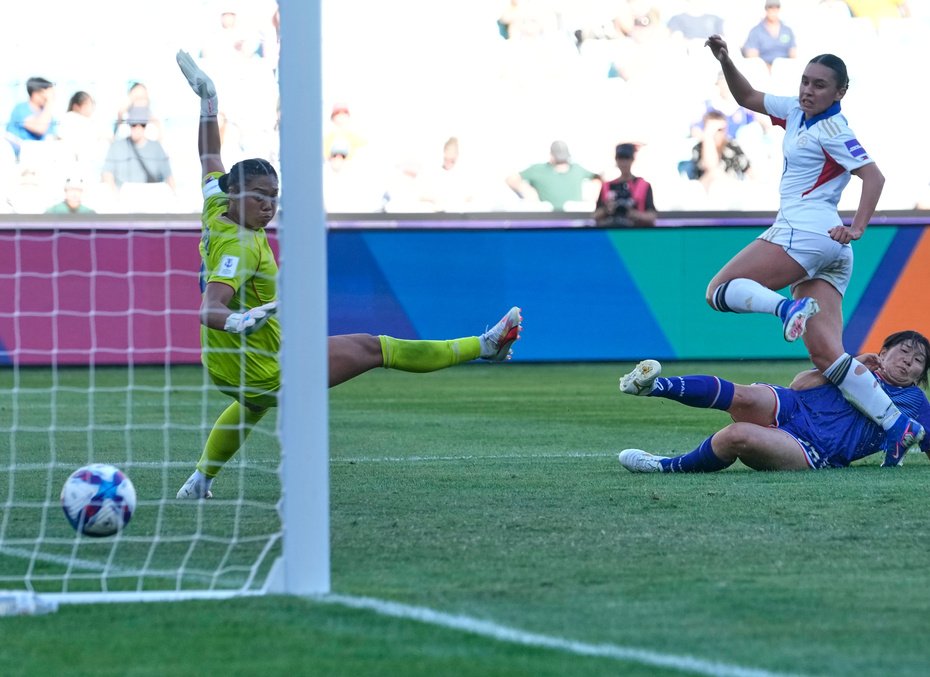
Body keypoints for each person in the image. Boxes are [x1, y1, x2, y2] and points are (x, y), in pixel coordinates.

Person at [174, 51, 523, 499]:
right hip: (264, 363)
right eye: (260, 196)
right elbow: (210, 309)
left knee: (253, 404)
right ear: (237, 194)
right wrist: (239, 320)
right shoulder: (239, 248)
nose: (269, 205)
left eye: (274, 196)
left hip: (232, 362)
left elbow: (209, 156)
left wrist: (209, 103)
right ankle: (486, 347)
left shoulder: (216, 202)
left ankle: (199, 481)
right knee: (375, 348)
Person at [701, 34, 925, 463]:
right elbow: (747, 95)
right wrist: (726, 58)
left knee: (718, 291)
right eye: (805, 81)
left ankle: (786, 311)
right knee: (827, 356)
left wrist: (857, 228)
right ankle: (898, 427)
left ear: (840, 92)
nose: (808, 89)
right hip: (829, 247)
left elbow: (874, 178)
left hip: (805, 232)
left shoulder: (834, 128)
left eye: (820, 85)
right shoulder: (795, 110)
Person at [617, 330, 930, 473]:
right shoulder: (854, 368)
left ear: (919, 375)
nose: (908, 362)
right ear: (883, 352)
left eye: (918, 362)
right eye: (904, 352)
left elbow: (929, 443)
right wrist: (846, 368)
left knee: (737, 436)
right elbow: (799, 384)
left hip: (813, 448)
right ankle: (653, 386)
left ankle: (664, 465)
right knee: (743, 394)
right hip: (793, 406)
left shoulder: (913, 400)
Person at [101, 105, 176, 195]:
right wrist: (116, 198)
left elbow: (169, 177)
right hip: (124, 201)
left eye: (142, 124)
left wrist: (175, 198)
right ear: (129, 124)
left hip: (152, 200)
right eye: (134, 124)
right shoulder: (116, 146)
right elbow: (107, 175)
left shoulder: (156, 147)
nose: (138, 128)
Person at [505, 140, 600, 210]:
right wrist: (523, 188)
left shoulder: (577, 168)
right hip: (547, 219)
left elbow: (598, 177)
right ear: (552, 156)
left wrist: (593, 194)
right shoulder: (538, 169)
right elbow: (511, 178)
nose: (563, 165)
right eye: (560, 160)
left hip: (574, 218)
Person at [682, 110, 753, 191]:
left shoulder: (733, 146)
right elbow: (711, 166)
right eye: (713, 129)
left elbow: (749, 170)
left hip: (730, 191)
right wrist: (708, 137)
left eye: (720, 129)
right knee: (714, 173)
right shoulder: (698, 148)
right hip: (707, 192)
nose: (717, 133)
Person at [593, 143, 656, 227]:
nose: (623, 163)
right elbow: (595, 216)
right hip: (612, 230)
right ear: (616, 161)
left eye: (627, 158)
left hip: (636, 230)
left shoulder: (643, 185)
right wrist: (607, 209)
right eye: (620, 159)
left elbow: (652, 216)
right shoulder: (607, 186)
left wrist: (635, 214)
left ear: (632, 160)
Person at [5, 77, 58, 158]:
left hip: (40, 158)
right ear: (35, 93)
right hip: (17, 159)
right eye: (46, 94)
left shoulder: (48, 116)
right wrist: (49, 101)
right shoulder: (21, 109)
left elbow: (49, 140)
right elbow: (40, 128)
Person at [742, 0, 797, 70]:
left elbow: (793, 53)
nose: (772, 11)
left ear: (779, 9)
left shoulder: (787, 30)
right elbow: (752, 56)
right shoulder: (756, 31)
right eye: (770, 8)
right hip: (763, 69)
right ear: (766, 9)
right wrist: (769, 69)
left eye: (775, 8)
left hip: (785, 68)